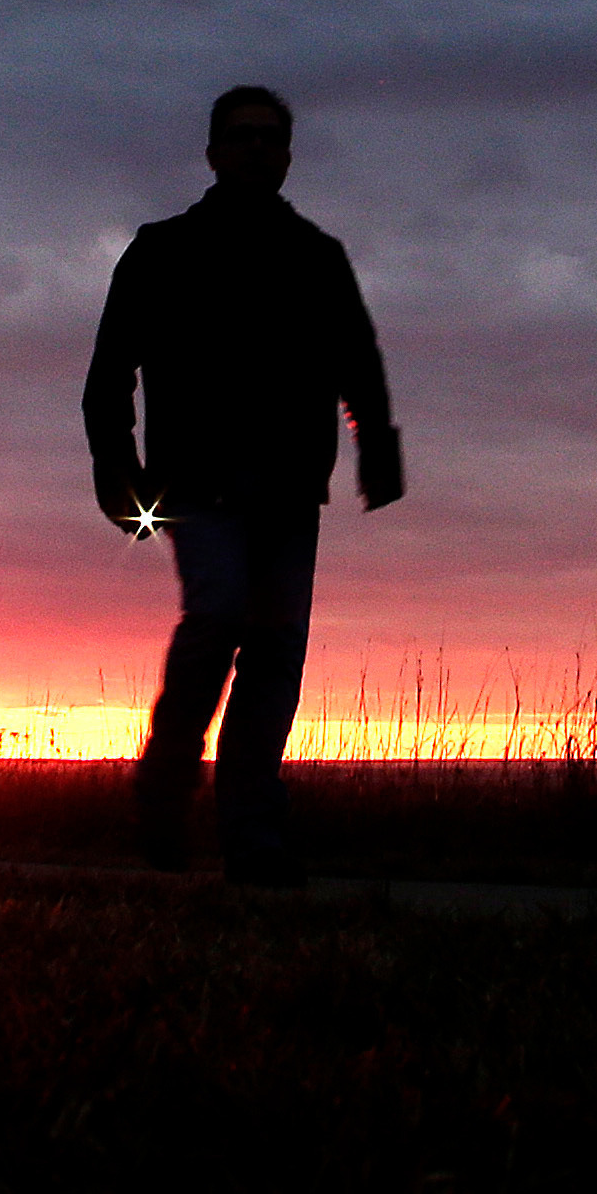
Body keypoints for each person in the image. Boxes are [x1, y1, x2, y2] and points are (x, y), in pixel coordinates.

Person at [82, 83, 402, 886]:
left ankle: (253, 836)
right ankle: (166, 780)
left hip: (292, 488)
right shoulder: (162, 250)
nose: (258, 149)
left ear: (287, 154)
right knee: (219, 612)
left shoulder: (317, 256)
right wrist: (115, 467)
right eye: (243, 136)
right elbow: (110, 368)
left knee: (273, 656)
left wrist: (378, 448)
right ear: (215, 150)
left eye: (271, 138)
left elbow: (356, 357)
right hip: (197, 481)